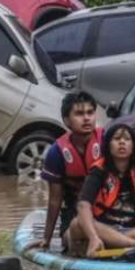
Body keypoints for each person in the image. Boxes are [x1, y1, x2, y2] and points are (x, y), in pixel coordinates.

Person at [67, 123, 135, 258]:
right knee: (77, 224)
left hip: (131, 231)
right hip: (101, 230)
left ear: (134, 146)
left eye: (127, 139)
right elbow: (83, 205)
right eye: (117, 139)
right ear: (108, 145)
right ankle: (134, 245)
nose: (122, 142)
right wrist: (93, 237)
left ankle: (117, 242)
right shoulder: (98, 171)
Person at [35, 91, 102, 251]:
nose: (86, 118)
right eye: (79, 114)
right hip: (74, 213)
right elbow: (55, 200)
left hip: (106, 210)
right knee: (71, 237)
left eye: (90, 113)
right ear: (66, 121)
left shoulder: (107, 141)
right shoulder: (56, 152)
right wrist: (46, 238)